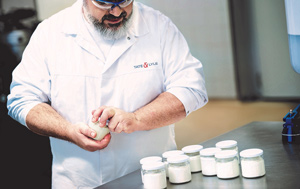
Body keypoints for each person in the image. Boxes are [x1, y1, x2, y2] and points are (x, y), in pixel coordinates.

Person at [7, 0, 208, 188]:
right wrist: (68, 131)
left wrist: (137, 118)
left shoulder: (159, 27)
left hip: (151, 177)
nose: (117, 11)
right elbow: (22, 99)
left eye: (124, 1)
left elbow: (191, 89)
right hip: (79, 181)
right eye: (104, 3)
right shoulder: (51, 33)